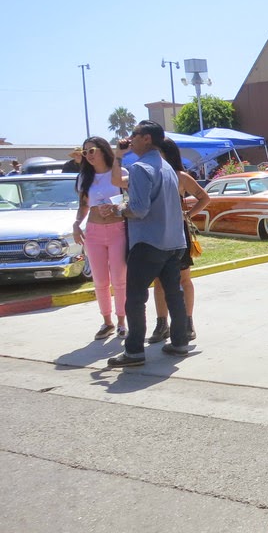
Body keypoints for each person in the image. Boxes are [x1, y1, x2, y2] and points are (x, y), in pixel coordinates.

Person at [106, 120, 190, 367]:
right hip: (173, 242)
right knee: (174, 294)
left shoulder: (140, 168)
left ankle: (134, 352)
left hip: (148, 242)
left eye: (134, 134)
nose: (130, 139)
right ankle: (180, 342)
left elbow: (139, 210)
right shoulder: (167, 167)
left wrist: (119, 209)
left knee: (135, 297)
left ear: (147, 138)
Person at [146, 138, 211, 345]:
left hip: (177, 233)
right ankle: (162, 323)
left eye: (156, 151)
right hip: (156, 233)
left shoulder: (180, 176)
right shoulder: (150, 174)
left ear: (166, 153)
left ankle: (188, 322)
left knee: (184, 279)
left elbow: (204, 198)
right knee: (158, 281)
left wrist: (187, 215)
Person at [72, 137, 128, 340]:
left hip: (117, 229)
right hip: (94, 232)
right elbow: (83, 205)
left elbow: (129, 199)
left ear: (103, 150)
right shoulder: (84, 177)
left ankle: (121, 321)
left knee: (119, 279)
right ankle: (107, 321)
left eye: (92, 150)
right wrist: (77, 224)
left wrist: (116, 207)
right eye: (85, 152)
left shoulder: (119, 171)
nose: (88, 155)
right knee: (100, 280)